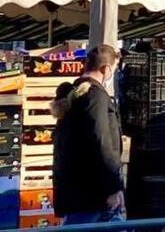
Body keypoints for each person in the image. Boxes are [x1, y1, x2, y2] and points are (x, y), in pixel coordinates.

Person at [53, 45, 124, 225]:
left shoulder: (75, 92)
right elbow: (101, 142)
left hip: (77, 191)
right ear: (106, 68)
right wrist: (113, 187)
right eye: (113, 69)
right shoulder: (95, 96)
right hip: (93, 193)